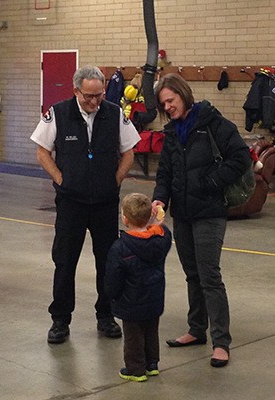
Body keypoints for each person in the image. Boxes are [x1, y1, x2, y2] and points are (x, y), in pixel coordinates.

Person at [30, 65, 141, 344]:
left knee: (108, 262)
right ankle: (60, 320)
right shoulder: (58, 113)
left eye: (99, 95)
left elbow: (129, 152)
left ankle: (106, 316)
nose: (94, 102)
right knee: (65, 262)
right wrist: (61, 179)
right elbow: (42, 151)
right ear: (76, 90)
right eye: (88, 96)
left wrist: (115, 180)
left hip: (104, 203)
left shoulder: (115, 113)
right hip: (71, 203)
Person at [152, 73, 252, 368]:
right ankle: (196, 330)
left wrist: (210, 182)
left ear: (184, 95)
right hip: (182, 214)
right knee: (192, 274)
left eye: (171, 100)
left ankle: (221, 342)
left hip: (209, 212)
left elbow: (240, 158)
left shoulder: (214, 123)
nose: (168, 107)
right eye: (163, 104)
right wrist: (160, 198)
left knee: (209, 276)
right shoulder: (171, 133)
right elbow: (165, 173)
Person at [105, 193, 172, 382]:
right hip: (154, 298)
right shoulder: (160, 241)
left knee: (133, 336)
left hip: (131, 301)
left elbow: (113, 278)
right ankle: (152, 364)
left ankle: (135, 369)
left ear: (125, 219)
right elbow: (164, 231)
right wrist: (157, 220)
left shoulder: (120, 247)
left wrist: (112, 295)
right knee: (151, 331)